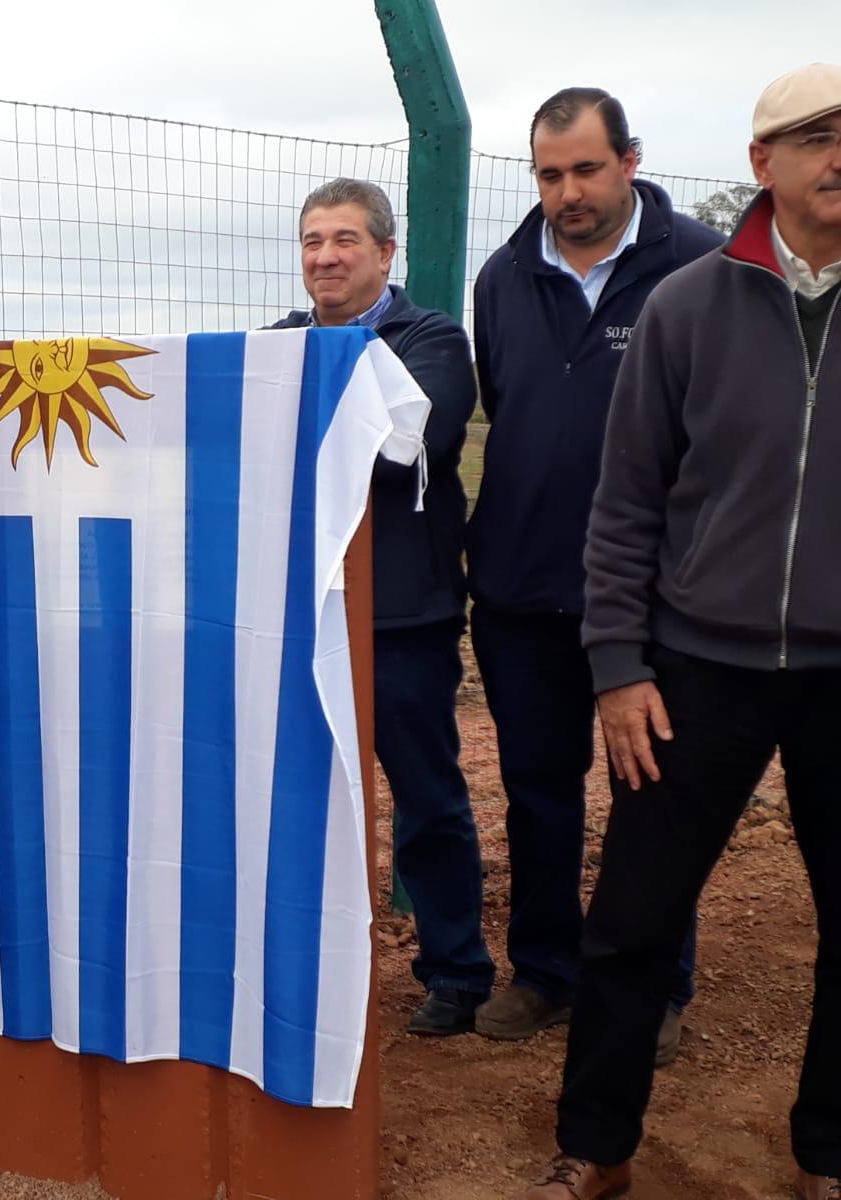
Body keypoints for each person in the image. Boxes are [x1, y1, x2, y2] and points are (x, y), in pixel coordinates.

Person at [524, 62, 841, 1200]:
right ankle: (598, 1148)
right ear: (761, 164)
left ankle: (826, 1156)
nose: (835, 156)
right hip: (695, 667)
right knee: (631, 923)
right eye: (811, 136)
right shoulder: (690, 304)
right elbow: (625, 502)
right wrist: (617, 668)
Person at [467, 88, 721, 1058]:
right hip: (520, 587)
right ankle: (543, 973)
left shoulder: (700, 264)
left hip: (658, 601)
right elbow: (511, 406)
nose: (566, 192)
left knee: (653, 800)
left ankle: (654, 984)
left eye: (584, 168)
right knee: (537, 789)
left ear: (629, 159)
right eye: (547, 174)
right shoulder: (501, 277)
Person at [270, 178, 491, 1035]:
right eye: (312, 241)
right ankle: (300, 968)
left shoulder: (432, 339)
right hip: (299, 612)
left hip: (403, 616)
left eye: (345, 240)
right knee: (295, 796)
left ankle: (457, 973)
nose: (325, 256)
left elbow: (408, 446)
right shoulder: (277, 344)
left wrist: (300, 422)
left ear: (386, 252)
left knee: (426, 798)